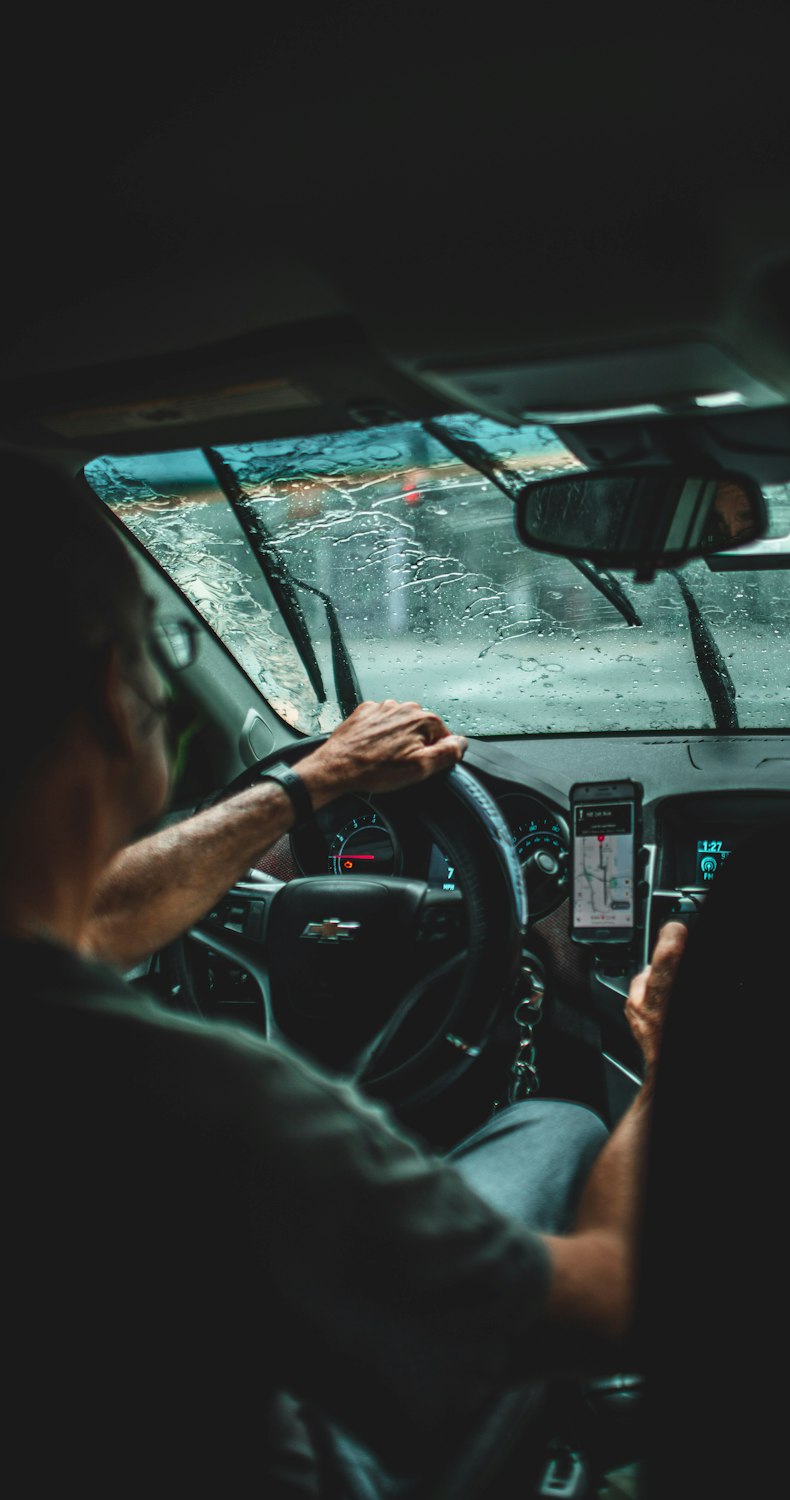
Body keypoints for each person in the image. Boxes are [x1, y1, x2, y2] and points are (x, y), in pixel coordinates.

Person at [0, 451, 686, 1500]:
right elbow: (604, 1301)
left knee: (541, 1135)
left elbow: (95, 919)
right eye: (158, 650)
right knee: (561, 1123)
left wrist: (309, 782)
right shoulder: (205, 1102)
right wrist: (672, 1060)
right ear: (111, 694)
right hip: (292, 1467)